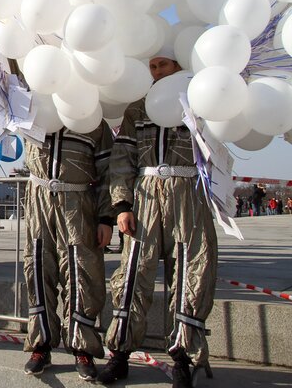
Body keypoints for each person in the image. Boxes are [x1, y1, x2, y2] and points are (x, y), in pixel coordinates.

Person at [98, 51, 217, 388]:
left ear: (179, 65)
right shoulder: (138, 108)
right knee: (134, 272)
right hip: (147, 195)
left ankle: (182, 357)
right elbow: (123, 157)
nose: (158, 71)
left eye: (164, 64)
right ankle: (119, 354)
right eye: (152, 66)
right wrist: (121, 205)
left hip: (188, 194)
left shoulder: (198, 100)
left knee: (190, 273)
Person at [19, 123, 114, 380]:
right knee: (38, 269)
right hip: (39, 199)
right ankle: (41, 345)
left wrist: (106, 217)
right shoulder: (35, 110)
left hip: (78, 203)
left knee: (82, 273)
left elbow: (108, 171)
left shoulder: (92, 119)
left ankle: (82, 348)